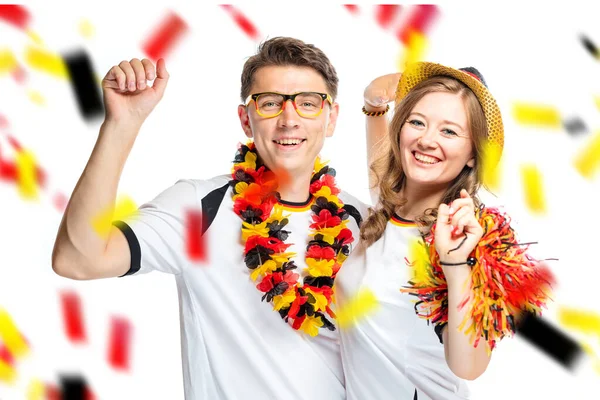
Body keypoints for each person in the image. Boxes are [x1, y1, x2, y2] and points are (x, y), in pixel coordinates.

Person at [51, 37, 367, 399]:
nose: (289, 119)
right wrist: (122, 125)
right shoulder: (199, 209)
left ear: (331, 119)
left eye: (308, 104)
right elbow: (78, 259)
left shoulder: (363, 224)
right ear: (245, 120)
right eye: (270, 104)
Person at [335, 63, 553, 399]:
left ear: (472, 154)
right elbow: (380, 157)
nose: (426, 139)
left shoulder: (473, 238)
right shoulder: (389, 207)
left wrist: (455, 264)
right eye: (417, 122)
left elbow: (470, 367)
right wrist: (373, 104)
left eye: (449, 131)